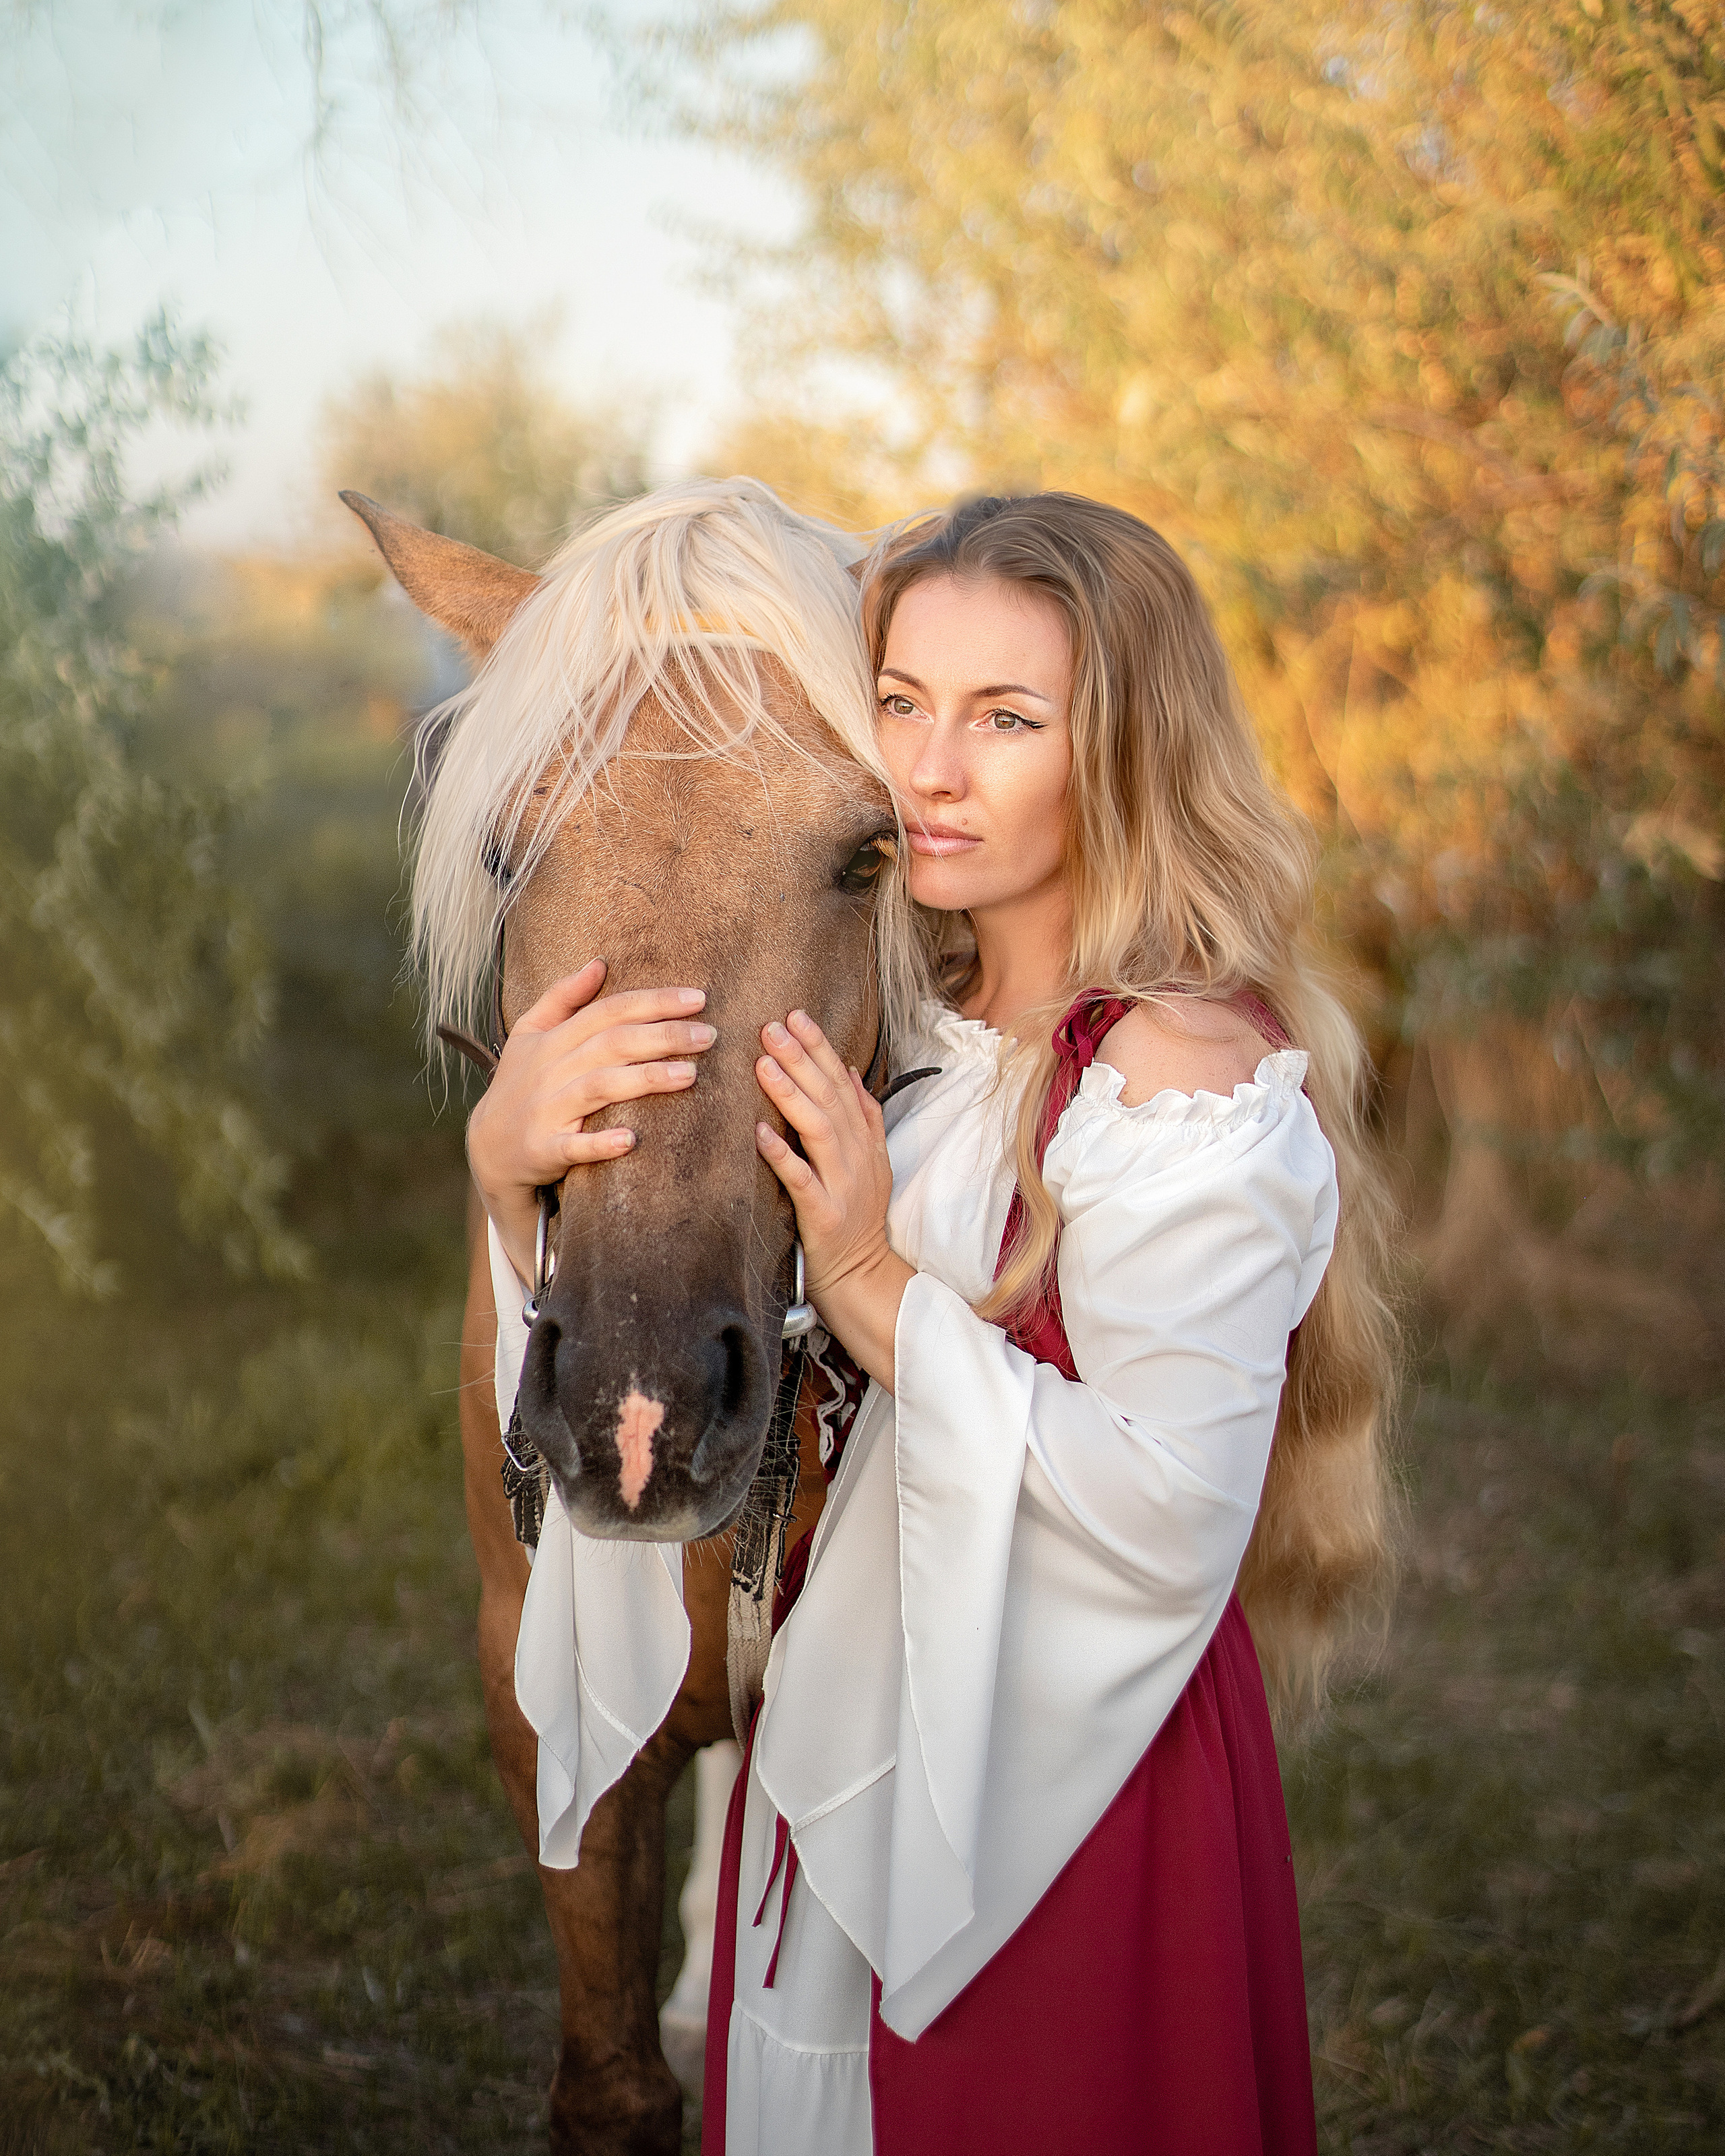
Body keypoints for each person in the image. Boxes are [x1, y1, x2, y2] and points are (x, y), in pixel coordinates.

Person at [472, 493, 1398, 2154]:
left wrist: (874, 1286)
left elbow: (1168, 1512)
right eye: (898, 704)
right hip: (856, 1758)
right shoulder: (927, 1041)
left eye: (1006, 719)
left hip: (1045, 1790)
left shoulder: (1172, 1078)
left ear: (1123, 750)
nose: (928, 768)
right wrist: (508, 1167)